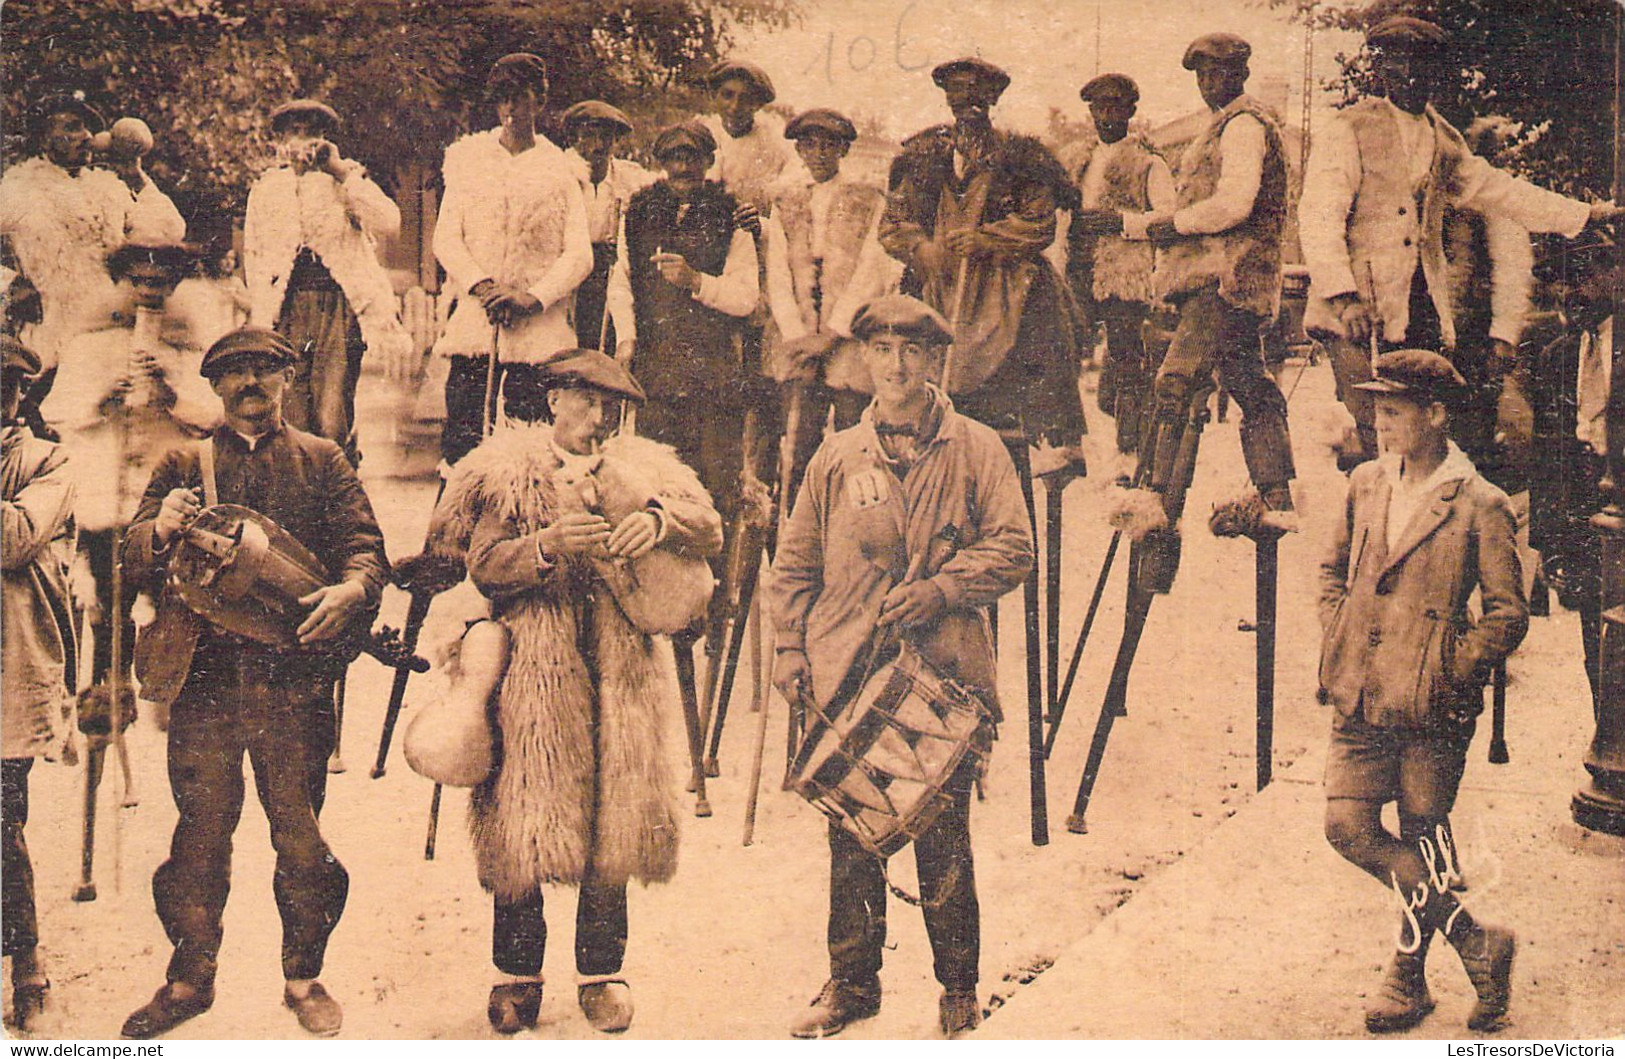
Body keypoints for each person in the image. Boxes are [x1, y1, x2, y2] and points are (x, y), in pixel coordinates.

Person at [424, 348, 723, 1034]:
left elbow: (708, 525)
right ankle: (516, 974)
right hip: (535, 667)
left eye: (610, 404)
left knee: (612, 818)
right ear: (553, 399)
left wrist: (659, 518)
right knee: (524, 816)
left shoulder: (647, 467)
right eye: (586, 400)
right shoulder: (512, 476)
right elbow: (484, 564)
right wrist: (549, 544)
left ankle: (599, 973)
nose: (599, 415)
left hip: (621, 665)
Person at [769, 294, 1033, 1039]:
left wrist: (943, 589)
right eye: (881, 350)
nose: (895, 366)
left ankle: (957, 984)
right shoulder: (835, 455)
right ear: (864, 359)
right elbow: (791, 567)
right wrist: (790, 647)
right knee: (850, 832)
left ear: (933, 360)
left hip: (940, 673)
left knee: (940, 831)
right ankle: (852, 982)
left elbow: (1016, 547)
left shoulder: (976, 448)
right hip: (846, 668)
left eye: (910, 352)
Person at [119, 327, 388, 1039]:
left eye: (264, 371)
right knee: (200, 833)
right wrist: (156, 528)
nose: (250, 384)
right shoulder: (182, 460)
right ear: (214, 385)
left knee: (299, 836)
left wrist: (353, 591)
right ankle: (189, 976)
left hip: (292, 678)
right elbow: (133, 561)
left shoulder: (323, 460)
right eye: (234, 372)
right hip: (203, 679)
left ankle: (303, 976)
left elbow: (365, 547)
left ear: (288, 379)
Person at [1299, 16, 1625, 470]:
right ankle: (1372, 534)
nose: (1410, 76)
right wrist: (1342, 295)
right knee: (1374, 429)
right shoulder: (1349, 128)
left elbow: (1500, 191)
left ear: (1435, 74)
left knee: (1423, 435)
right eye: (1397, 64)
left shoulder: (1444, 139)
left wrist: (1585, 215)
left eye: (1422, 66)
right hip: (1357, 309)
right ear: (1381, 70)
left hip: (1419, 306)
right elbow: (1319, 216)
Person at [1318, 350, 1528, 1034]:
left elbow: (1506, 612)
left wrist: (1449, 666)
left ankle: (1406, 976)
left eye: (1393, 411)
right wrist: (1339, 635)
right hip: (1359, 689)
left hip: (1428, 701)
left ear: (1435, 415)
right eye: (1375, 411)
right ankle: (1474, 939)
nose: (1379, 425)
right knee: (1344, 825)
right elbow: (1330, 570)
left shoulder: (1478, 502)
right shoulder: (1364, 483)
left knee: (1423, 831)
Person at [881, 57, 1086, 477]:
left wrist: (986, 240)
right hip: (940, 288)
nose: (968, 100)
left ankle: (1052, 444)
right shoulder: (923, 158)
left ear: (993, 98)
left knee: (1046, 332)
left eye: (978, 91)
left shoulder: (1021, 159)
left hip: (1004, 294)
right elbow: (892, 223)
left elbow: (1040, 221)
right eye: (958, 91)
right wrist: (924, 248)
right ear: (947, 98)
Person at [1135, 33, 1298, 540]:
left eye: (1220, 74)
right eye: (1203, 75)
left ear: (1242, 76)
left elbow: (1235, 203)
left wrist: (1175, 224)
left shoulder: (1244, 125)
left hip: (1228, 278)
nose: (1210, 84)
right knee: (1249, 381)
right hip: (1229, 279)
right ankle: (1277, 496)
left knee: (1176, 382)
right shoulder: (1221, 126)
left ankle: (1158, 504)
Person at [606, 120, 760, 645]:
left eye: (693, 158)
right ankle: (666, 605)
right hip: (656, 373)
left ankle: (716, 609)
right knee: (658, 488)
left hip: (714, 377)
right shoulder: (640, 211)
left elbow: (745, 297)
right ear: (659, 161)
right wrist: (626, 341)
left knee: (714, 488)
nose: (682, 168)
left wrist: (696, 282)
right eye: (672, 157)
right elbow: (620, 283)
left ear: (710, 160)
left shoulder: (731, 215)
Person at [41, 240, 220, 689]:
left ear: (174, 284)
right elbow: (56, 412)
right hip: (107, 495)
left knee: (173, 597)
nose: (147, 291)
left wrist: (170, 394)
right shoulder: (91, 344)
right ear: (122, 282)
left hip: (165, 498)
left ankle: (167, 686)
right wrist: (102, 401)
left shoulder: (186, 346)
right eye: (138, 281)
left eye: (159, 283)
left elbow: (213, 417)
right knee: (108, 600)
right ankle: (107, 688)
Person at [433, 54, 593, 466]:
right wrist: (483, 287)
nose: (509, 110)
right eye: (502, 99)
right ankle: (455, 528)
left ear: (539, 101)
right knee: (463, 440)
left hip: (537, 329)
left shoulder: (561, 170)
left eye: (519, 98)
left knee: (533, 442)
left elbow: (579, 254)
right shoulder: (468, 161)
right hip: (477, 322)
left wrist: (531, 298)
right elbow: (446, 238)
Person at [243, 98, 410, 464]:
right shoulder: (267, 189)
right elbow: (253, 258)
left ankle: (338, 493)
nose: (303, 142)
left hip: (336, 306)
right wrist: (260, 315)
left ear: (325, 139)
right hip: (286, 308)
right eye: (294, 133)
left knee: (331, 413)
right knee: (289, 410)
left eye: (311, 133)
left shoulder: (344, 181)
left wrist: (340, 171)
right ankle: (295, 499)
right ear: (281, 141)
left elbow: (389, 222)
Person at [0, 93, 184, 424]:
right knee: (55, 426)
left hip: (108, 332)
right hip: (50, 334)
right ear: (44, 136)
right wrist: (10, 284)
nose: (86, 138)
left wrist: (135, 174)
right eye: (72, 128)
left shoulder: (109, 188)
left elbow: (168, 231)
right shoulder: (17, 189)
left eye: (87, 129)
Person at [762, 107, 898, 504]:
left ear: (843, 150)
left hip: (848, 335)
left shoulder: (866, 199)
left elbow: (872, 267)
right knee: (799, 443)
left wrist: (835, 331)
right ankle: (801, 529)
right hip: (800, 336)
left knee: (855, 438)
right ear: (799, 149)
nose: (818, 153)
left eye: (828, 145)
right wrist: (798, 335)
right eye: (809, 144)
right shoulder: (785, 200)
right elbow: (777, 272)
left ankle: (855, 532)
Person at [1, 336, 77, 1033]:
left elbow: (14, 540)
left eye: (5, 384)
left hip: (9, 667)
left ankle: (28, 966)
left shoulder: (46, 461)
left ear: (23, 393)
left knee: (0, 821)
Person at [1066, 73, 1176, 473]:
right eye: (1100, 108)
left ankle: (1128, 449)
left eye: (1116, 107)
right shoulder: (1078, 159)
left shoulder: (1148, 162)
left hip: (1124, 273)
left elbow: (1168, 219)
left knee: (1126, 358)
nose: (1107, 115)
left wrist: (1121, 223)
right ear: (1090, 112)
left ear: (1131, 111)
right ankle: (1065, 444)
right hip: (1080, 266)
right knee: (1064, 347)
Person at [562, 101, 654, 354]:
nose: (598, 145)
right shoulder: (557, 174)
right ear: (573, 138)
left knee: (607, 344)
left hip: (609, 271)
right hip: (566, 269)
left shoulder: (632, 178)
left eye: (606, 137)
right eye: (589, 135)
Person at [697, 60, 797, 222]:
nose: (735, 106)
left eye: (746, 99)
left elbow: (786, 201)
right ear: (714, 96)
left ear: (757, 105)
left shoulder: (775, 145)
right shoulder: (700, 135)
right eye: (727, 95)